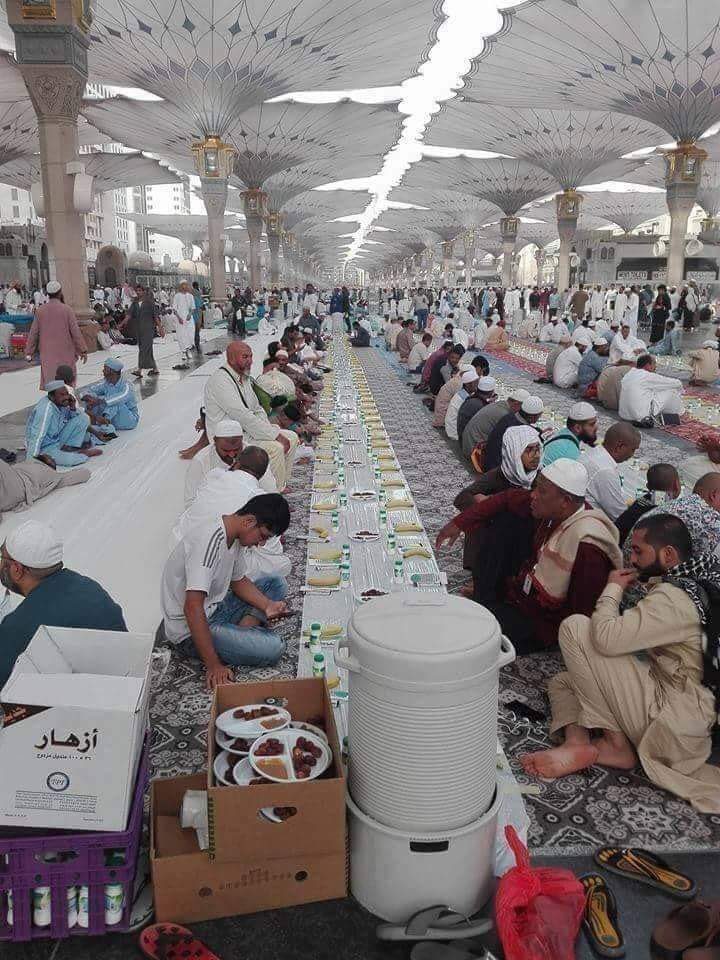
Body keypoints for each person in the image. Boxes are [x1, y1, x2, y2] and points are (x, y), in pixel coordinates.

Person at [521, 513, 720, 813]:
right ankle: (577, 741)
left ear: (668, 555)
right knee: (565, 681)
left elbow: (606, 638)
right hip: (684, 705)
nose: (633, 559)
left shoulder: (675, 598)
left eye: (639, 551)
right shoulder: (697, 582)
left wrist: (612, 588)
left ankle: (615, 745)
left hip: (676, 723)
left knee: (576, 628)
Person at [441, 459, 622, 653]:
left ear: (565, 501)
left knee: (476, 628)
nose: (533, 495)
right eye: (535, 488)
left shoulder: (587, 545)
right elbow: (507, 498)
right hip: (524, 596)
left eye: (541, 491)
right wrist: (459, 523)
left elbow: (581, 615)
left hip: (545, 623)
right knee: (504, 520)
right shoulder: (556, 508)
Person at [160, 494, 291, 690]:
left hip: (215, 608)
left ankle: (240, 633)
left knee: (276, 583)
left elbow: (238, 582)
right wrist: (213, 666)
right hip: (189, 630)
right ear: (249, 521)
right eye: (263, 536)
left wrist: (268, 605)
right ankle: (239, 636)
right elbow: (192, 607)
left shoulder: (234, 536)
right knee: (274, 647)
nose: (261, 543)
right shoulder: (209, 542)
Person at [0, 520, 126, 689]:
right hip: (126, 684)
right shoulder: (88, 587)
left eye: (2, 558)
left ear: (17, 569)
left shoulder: (16, 628)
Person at [453, 426, 541, 599]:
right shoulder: (500, 474)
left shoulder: (539, 478)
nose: (536, 455)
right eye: (529, 450)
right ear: (514, 451)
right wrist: (490, 507)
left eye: (538, 449)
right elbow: (462, 498)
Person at [203, 343, 298, 491]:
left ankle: (280, 485)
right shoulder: (220, 381)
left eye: (251, 356)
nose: (250, 361)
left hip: (248, 431)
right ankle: (270, 493)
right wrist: (273, 435)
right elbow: (242, 416)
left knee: (292, 437)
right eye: (245, 357)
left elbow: (257, 408)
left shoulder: (244, 377)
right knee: (275, 448)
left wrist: (268, 430)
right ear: (231, 359)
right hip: (230, 439)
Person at [25, 280, 87, 390]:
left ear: (48, 294)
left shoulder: (40, 311)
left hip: (47, 353)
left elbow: (33, 333)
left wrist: (29, 352)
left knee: (52, 382)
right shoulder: (67, 310)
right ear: (60, 292)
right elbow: (76, 332)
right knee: (66, 383)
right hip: (66, 352)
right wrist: (82, 350)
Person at [26, 380, 103, 468]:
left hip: (57, 440)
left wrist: (73, 407)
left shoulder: (61, 404)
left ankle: (70, 449)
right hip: (44, 447)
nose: (66, 397)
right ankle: (80, 454)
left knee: (83, 418)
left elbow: (71, 418)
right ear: (52, 397)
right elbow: (37, 436)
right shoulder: (45, 410)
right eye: (62, 395)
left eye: (67, 394)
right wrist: (30, 462)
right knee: (71, 460)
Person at [580, 422, 641, 521]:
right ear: (619, 447)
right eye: (633, 450)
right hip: (588, 523)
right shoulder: (606, 471)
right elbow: (620, 516)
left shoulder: (593, 452)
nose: (632, 455)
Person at [615, 463, 681, 546]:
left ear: (647, 486)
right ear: (676, 486)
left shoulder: (646, 499)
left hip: (616, 540)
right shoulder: (666, 511)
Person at [461, 388, 528, 460]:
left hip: (469, 444)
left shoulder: (500, 405)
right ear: (516, 404)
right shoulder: (504, 415)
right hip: (473, 451)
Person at [618, 354, 684, 427]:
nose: (655, 367)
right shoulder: (646, 375)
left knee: (656, 389)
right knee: (672, 391)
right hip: (641, 417)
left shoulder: (629, 374)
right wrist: (681, 391)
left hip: (624, 415)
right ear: (648, 365)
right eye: (654, 364)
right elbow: (677, 383)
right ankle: (680, 414)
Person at [483, 395, 543, 472]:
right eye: (539, 415)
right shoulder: (521, 431)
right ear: (532, 417)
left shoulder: (509, 417)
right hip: (497, 470)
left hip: (489, 461)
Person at [81, 358, 139, 435]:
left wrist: (98, 400)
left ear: (112, 371)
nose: (103, 371)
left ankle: (104, 422)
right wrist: (89, 397)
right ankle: (97, 423)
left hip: (129, 419)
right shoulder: (106, 383)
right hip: (115, 418)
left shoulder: (127, 385)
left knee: (115, 402)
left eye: (105, 369)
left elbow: (120, 397)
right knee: (91, 398)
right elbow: (88, 390)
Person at [542, 401, 598, 466]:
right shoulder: (570, 453)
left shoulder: (561, 433)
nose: (596, 427)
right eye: (592, 424)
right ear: (577, 428)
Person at [130, 285, 160, 377]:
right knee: (146, 349)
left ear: (143, 291)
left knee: (144, 349)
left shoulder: (149, 303)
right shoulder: (135, 303)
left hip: (148, 329)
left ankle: (139, 369)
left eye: (140, 290)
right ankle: (155, 368)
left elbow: (155, 316)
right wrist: (121, 324)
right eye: (137, 290)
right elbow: (129, 315)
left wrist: (160, 327)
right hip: (139, 329)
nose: (138, 292)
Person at [445, 369, 480, 440]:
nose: (478, 385)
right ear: (467, 384)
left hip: (451, 429)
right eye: (476, 383)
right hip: (454, 433)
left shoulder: (462, 393)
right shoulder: (464, 398)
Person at [172, 281, 196, 364]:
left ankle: (188, 350)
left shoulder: (190, 296)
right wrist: (179, 318)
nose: (184, 286)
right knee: (181, 335)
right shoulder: (177, 296)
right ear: (181, 286)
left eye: (186, 285)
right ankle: (183, 352)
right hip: (180, 318)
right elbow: (174, 309)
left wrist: (190, 314)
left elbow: (193, 308)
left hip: (188, 318)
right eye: (183, 285)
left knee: (190, 334)